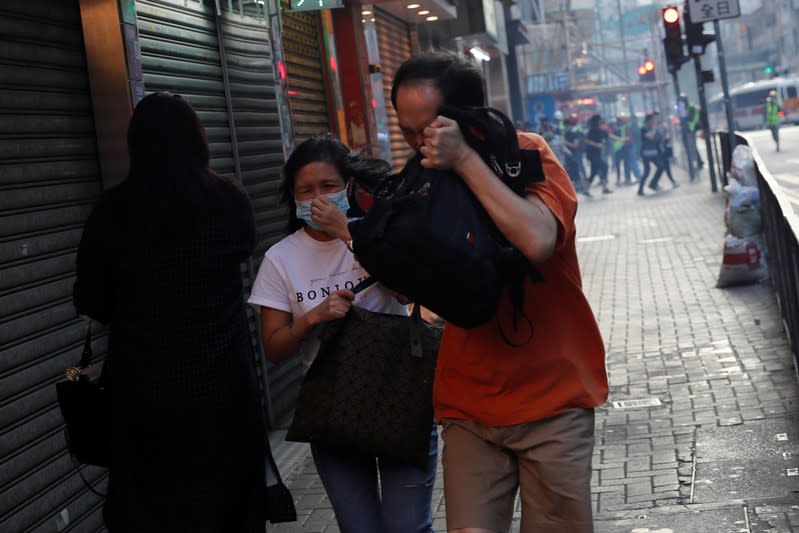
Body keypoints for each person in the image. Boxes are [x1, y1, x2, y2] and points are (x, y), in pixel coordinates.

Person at [391, 52, 608, 533]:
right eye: (406, 132)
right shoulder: (416, 183)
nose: (417, 144)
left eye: (428, 129)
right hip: (468, 407)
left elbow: (537, 240)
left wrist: (465, 161)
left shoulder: (526, 156)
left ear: (466, 118)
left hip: (553, 402)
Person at [73, 92, 266, 532]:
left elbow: (92, 302)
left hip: (141, 395)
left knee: (151, 510)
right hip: (223, 389)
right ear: (197, 140)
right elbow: (243, 248)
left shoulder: (112, 211)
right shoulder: (228, 200)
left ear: (135, 144)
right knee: (230, 504)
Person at [247, 134, 438, 533]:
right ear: (293, 195)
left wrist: (350, 236)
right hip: (335, 409)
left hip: (400, 396)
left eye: (329, 186)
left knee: (408, 526)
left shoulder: (379, 233)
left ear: (348, 186)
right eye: (306, 189)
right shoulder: (280, 259)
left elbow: (411, 291)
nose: (318, 197)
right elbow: (275, 349)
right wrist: (312, 317)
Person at [584, 113, 613, 194]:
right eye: (600, 120)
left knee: (595, 172)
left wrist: (621, 139)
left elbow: (609, 135)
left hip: (597, 155)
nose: (601, 121)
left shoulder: (600, 130)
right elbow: (587, 141)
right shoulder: (592, 130)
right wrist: (597, 145)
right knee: (604, 167)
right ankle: (604, 188)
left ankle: (587, 190)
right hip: (593, 155)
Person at [680, 95, 704, 171]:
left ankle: (697, 163)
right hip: (686, 130)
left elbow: (691, 118)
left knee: (692, 147)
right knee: (691, 147)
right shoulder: (683, 109)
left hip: (691, 130)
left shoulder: (691, 108)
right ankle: (699, 162)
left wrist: (685, 116)